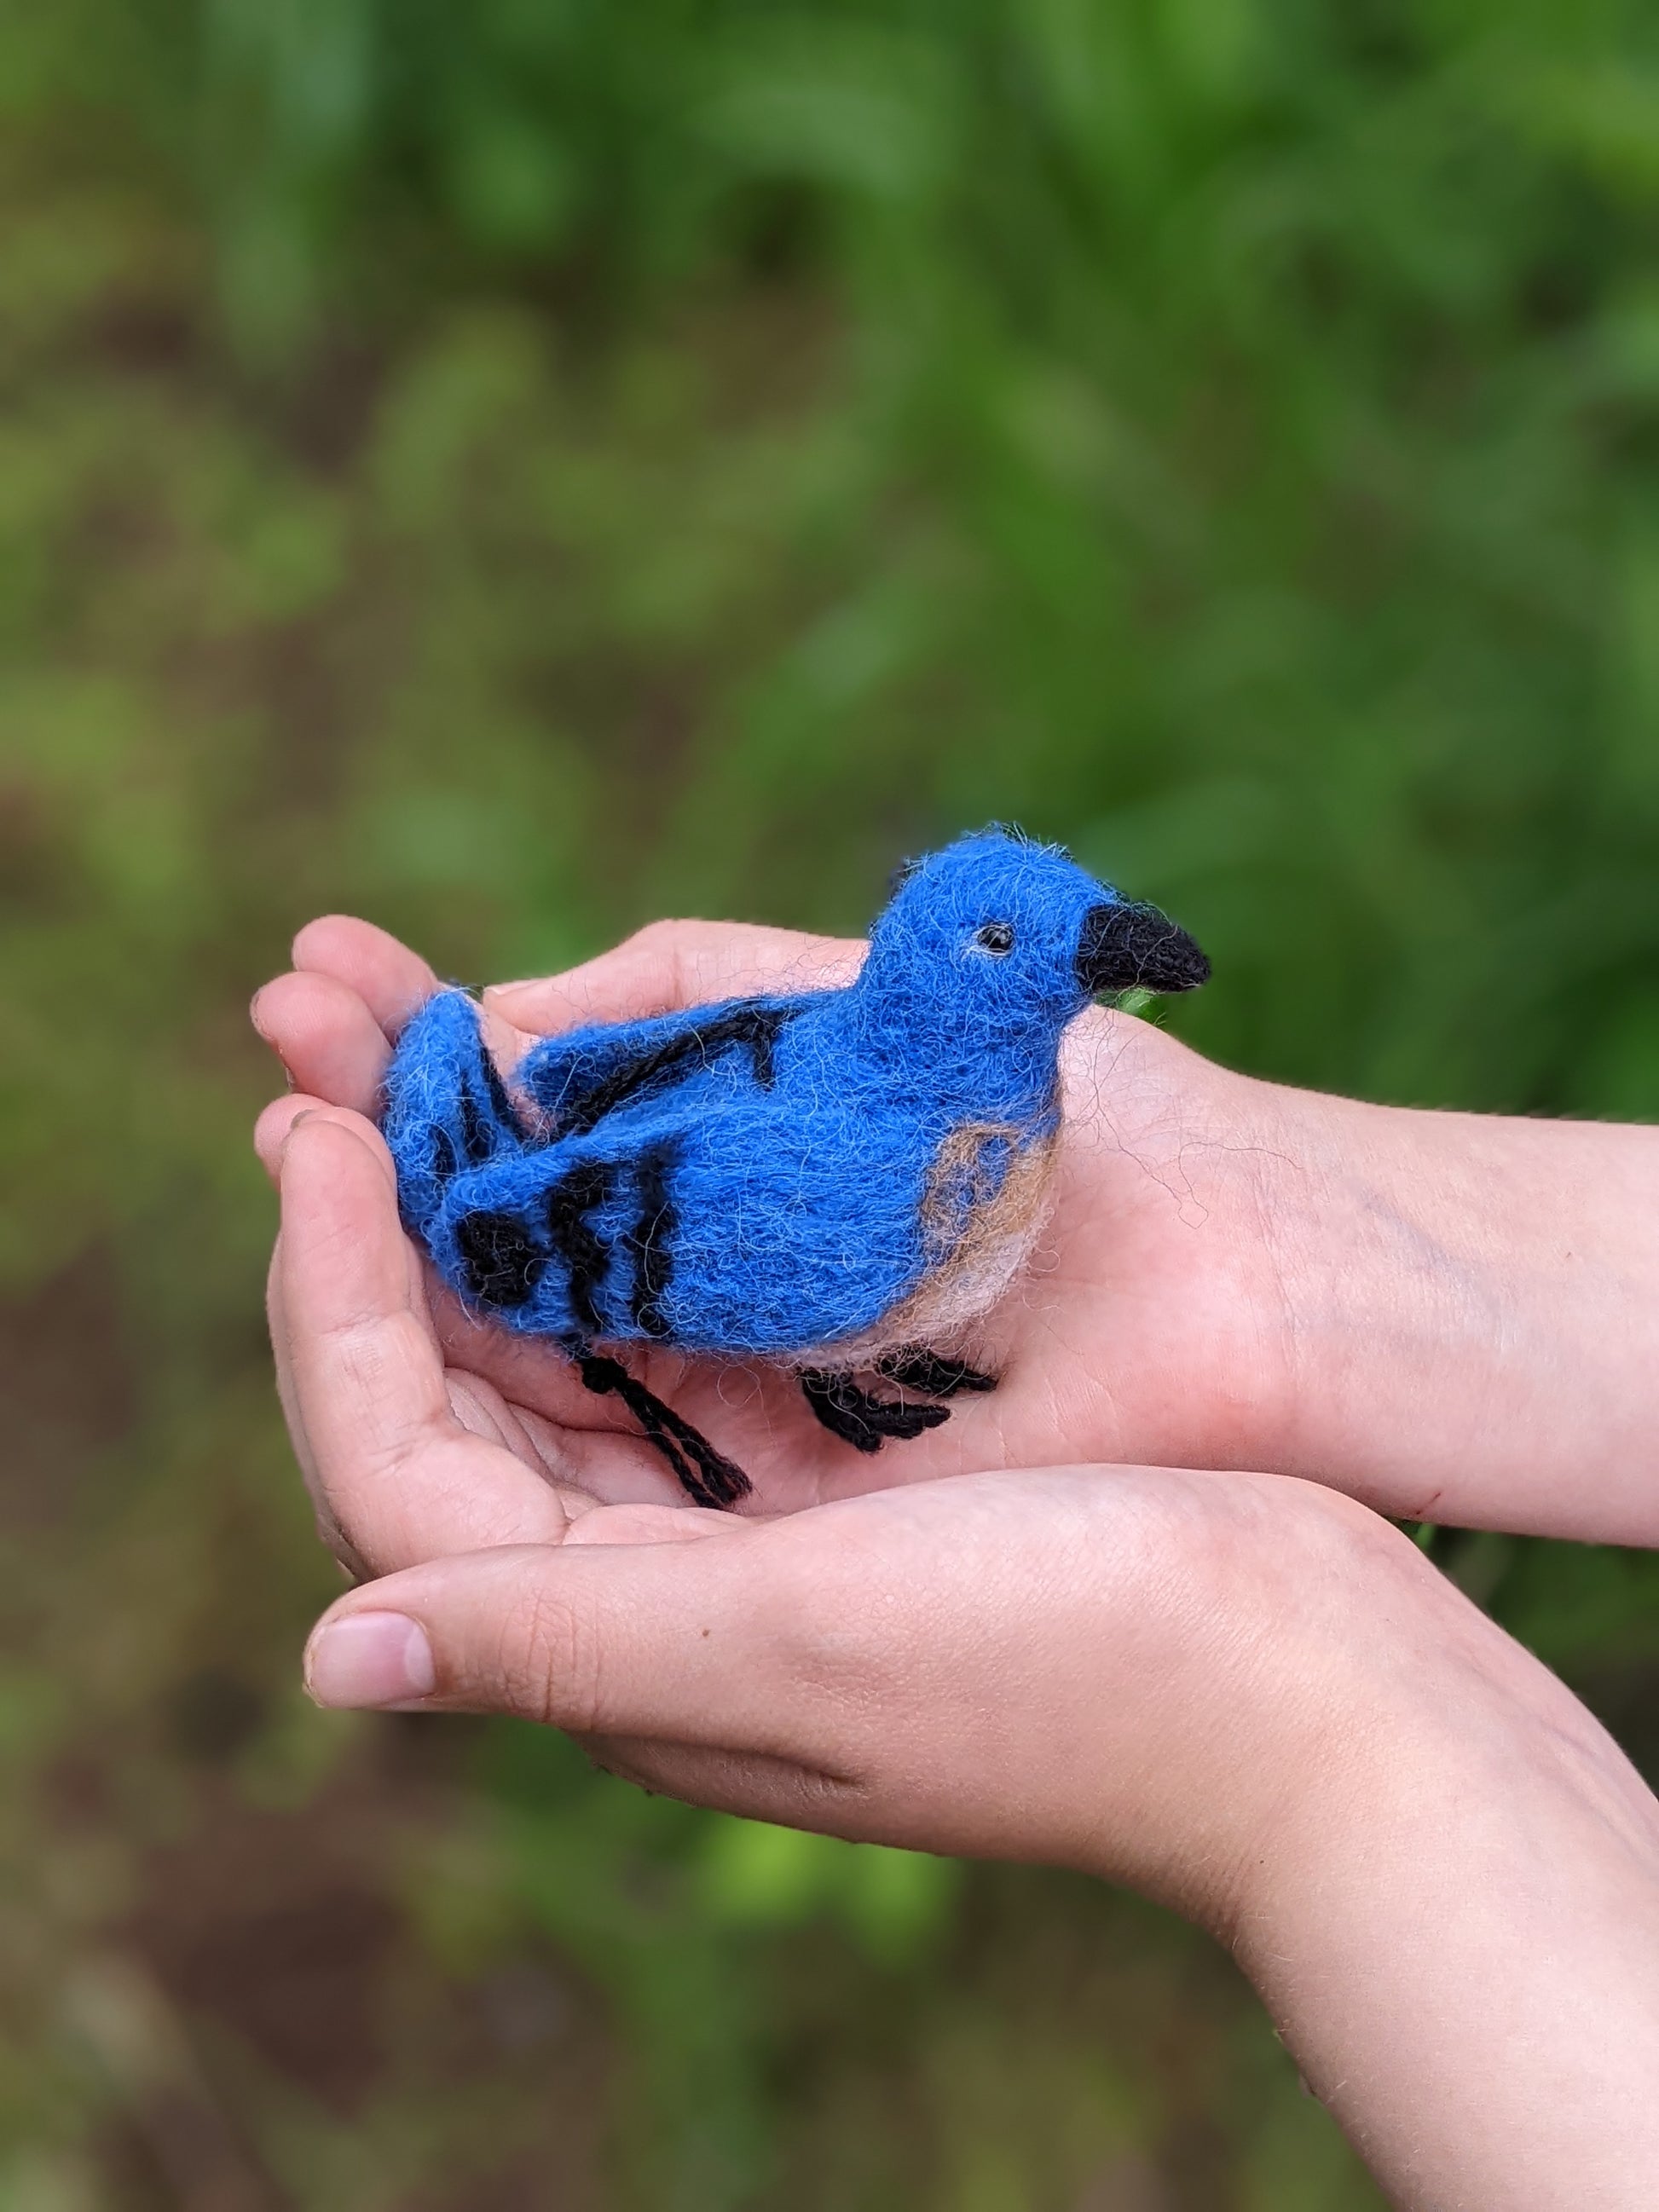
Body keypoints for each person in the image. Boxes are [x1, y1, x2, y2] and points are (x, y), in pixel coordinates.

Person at [251, 912, 1659, 2210]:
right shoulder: (886, 1175)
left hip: (641, 1183)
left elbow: (704, 1069)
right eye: (1011, 938)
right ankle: (815, 1359)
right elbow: (616, 1202)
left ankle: (821, 1358)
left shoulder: (961, 1126)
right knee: (823, 1254)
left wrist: (1294, 1735)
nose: (1093, 958)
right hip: (557, 1229)